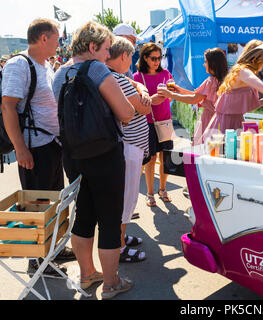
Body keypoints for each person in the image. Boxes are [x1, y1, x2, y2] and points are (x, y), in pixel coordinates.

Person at [53, 21, 135, 299]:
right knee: (110, 219)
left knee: (84, 214)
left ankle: (87, 274)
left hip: (73, 156)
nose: (108, 55)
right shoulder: (97, 69)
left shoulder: (59, 74)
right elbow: (125, 113)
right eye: (106, 49)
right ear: (91, 47)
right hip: (105, 155)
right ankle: (111, 283)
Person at [1, 18, 75, 275]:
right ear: (44, 38)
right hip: (34, 148)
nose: (59, 44)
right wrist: (20, 149)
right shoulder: (18, 64)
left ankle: (52, 250)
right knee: (37, 205)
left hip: (51, 145)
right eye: (57, 40)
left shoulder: (44, 65)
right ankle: (37, 261)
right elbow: (8, 106)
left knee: (54, 202)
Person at [105, 37, 152, 263]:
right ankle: (119, 246)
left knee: (125, 197)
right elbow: (143, 108)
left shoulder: (113, 77)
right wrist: (148, 97)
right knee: (126, 199)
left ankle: (120, 239)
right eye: (131, 56)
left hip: (126, 147)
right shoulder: (119, 80)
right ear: (123, 55)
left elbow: (137, 90)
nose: (132, 61)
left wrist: (141, 87)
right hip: (129, 147)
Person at [201, 45, 263, 141]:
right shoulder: (244, 72)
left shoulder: (243, 71)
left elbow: (241, 106)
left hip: (233, 122)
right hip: (226, 126)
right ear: (257, 58)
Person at [157, 47, 228, 145]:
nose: (204, 64)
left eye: (206, 62)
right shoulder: (223, 80)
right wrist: (179, 89)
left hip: (209, 120)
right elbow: (197, 95)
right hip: (221, 120)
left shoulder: (211, 81)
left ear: (213, 64)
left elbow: (194, 99)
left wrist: (171, 94)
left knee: (205, 149)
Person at [134, 43, 174, 207]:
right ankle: (150, 193)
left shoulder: (166, 74)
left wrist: (168, 96)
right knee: (151, 158)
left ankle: (163, 189)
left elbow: (171, 96)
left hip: (165, 120)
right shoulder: (137, 77)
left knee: (166, 157)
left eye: (160, 57)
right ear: (145, 58)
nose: (157, 61)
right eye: (153, 58)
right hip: (147, 122)